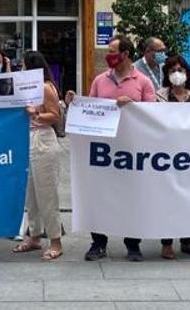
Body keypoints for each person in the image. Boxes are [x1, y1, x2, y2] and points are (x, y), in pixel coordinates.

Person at [66, 36, 156, 261]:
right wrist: (74, 103)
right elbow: (90, 109)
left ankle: (133, 243)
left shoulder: (142, 81)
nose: (108, 55)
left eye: (112, 51)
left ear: (125, 54)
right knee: (99, 194)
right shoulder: (99, 80)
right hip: (103, 151)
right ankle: (98, 243)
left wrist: (133, 106)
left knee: (132, 196)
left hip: (131, 151)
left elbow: (154, 114)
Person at [154, 53, 190, 259]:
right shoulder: (158, 96)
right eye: (172, 70)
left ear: (187, 73)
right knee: (168, 200)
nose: (177, 74)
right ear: (167, 75)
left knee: (189, 200)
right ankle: (166, 243)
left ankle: (187, 241)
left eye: (180, 70)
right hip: (168, 157)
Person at [11, 51, 65, 262]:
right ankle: (34, 235)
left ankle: (55, 240)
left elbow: (55, 115)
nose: (22, 70)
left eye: (24, 66)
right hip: (28, 139)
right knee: (31, 193)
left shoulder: (45, 87)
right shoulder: (29, 88)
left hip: (42, 139)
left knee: (47, 193)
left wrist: (35, 114)